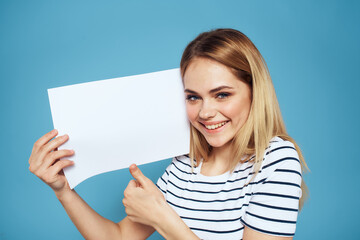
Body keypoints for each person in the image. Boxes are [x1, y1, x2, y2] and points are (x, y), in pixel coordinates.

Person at [28, 28, 308, 240]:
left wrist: (162, 217)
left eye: (222, 94)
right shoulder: (186, 163)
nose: (205, 112)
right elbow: (119, 237)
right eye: (193, 97)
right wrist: (63, 190)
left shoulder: (276, 160)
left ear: (254, 92)